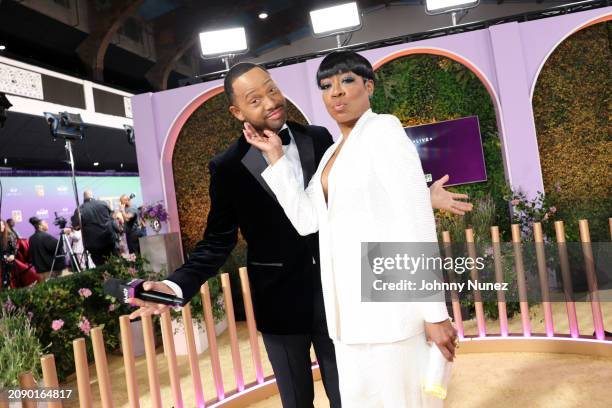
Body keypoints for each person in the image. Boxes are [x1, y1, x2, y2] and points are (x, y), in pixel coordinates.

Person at [129, 62, 470, 408]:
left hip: (343, 301)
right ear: (237, 111)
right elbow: (218, 241)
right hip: (281, 306)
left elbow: (349, 197)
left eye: (272, 89)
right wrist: (174, 286)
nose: (270, 102)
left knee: (353, 397)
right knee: (297, 402)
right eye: (255, 99)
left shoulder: (320, 138)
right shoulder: (227, 166)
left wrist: (420, 196)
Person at [243, 51, 459, 407]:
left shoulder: (384, 130)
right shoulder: (332, 154)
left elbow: (415, 222)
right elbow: (306, 220)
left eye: (347, 81)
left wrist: (435, 314)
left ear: (368, 87)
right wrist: (276, 158)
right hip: (347, 319)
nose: (336, 93)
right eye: (326, 85)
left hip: (390, 311)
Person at [71, 190, 116, 266]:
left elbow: (75, 226)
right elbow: (111, 216)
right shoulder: (103, 203)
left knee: (100, 267)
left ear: (84, 198)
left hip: (94, 244)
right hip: (108, 239)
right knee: (113, 263)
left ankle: (105, 277)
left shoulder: (80, 209)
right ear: (92, 196)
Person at [1, 219, 18, 288]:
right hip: (2, 261)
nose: (1, 227)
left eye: (2, 225)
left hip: (9, 262)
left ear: (5, 225)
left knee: (9, 281)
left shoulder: (9, 235)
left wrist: (13, 255)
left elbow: (15, 249)